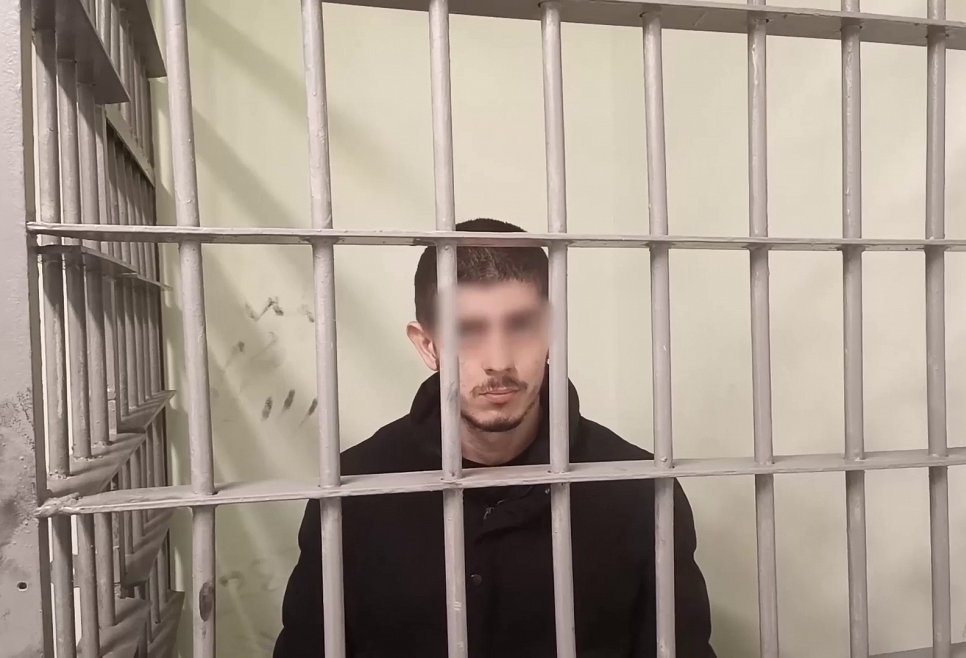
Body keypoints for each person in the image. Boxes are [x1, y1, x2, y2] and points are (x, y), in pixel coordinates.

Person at [274, 218, 715, 657]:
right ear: (427, 345)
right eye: (468, 331)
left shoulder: (640, 492)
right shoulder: (350, 492)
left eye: (521, 326)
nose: (499, 361)